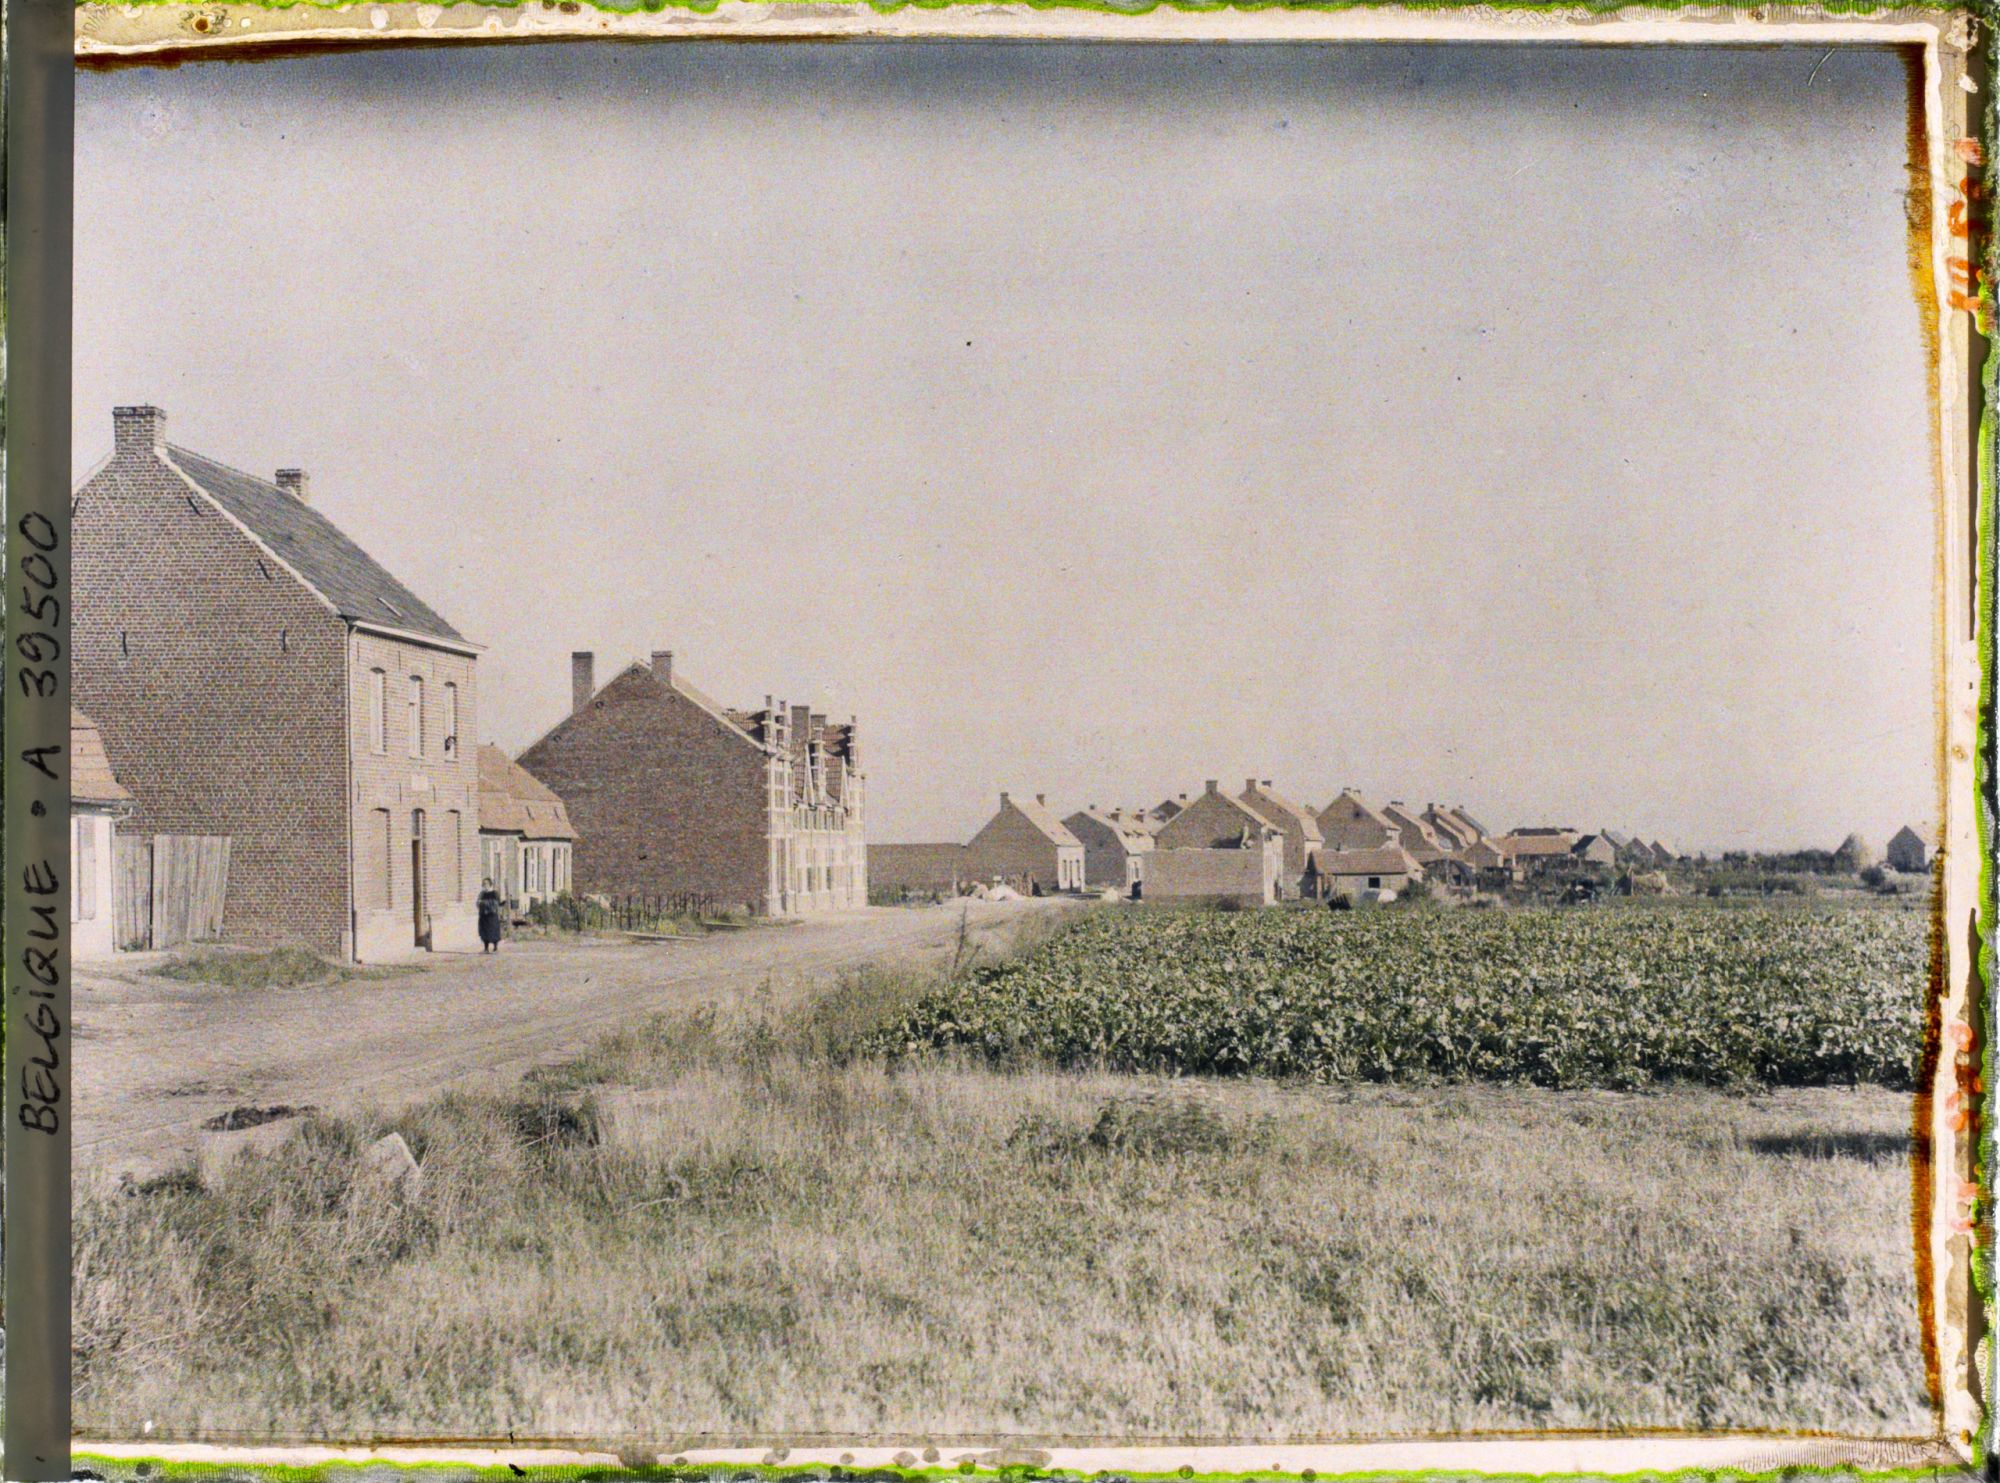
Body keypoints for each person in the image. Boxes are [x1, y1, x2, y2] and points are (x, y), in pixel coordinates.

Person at [477, 878, 504, 953]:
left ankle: (495, 948)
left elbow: (497, 903)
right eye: (484, 884)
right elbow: (478, 903)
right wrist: (481, 903)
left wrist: (485, 903)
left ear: (490, 884)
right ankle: (486, 948)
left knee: (493, 931)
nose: (485, 886)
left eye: (486, 884)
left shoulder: (494, 893)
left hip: (492, 915)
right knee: (484, 931)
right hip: (483, 915)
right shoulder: (482, 894)